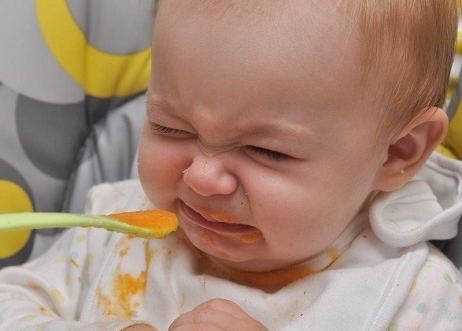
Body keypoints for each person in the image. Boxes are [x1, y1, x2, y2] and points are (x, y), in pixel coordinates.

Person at [0, 0, 462, 330]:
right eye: (171, 127)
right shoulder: (113, 228)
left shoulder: (415, 295)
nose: (200, 177)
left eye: (268, 152)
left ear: (397, 153)